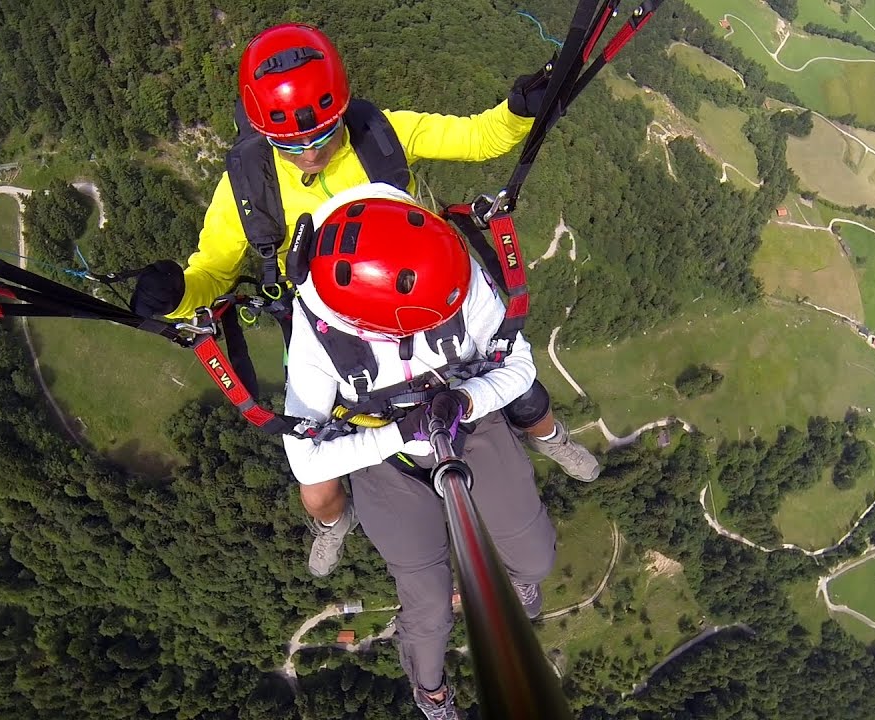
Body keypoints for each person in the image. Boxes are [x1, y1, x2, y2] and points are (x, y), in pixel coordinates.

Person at [131, 23, 597, 579]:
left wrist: (519, 111)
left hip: (417, 295)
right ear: (262, 132)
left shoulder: (381, 135)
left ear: (341, 112)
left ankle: (551, 438)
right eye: (290, 145)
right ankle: (332, 522)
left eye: (322, 135)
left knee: (520, 388)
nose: (310, 154)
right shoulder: (247, 190)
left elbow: (478, 138)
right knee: (314, 477)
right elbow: (213, 273)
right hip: (330, 328)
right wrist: (178, 297)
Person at [283, 183, 556, 719]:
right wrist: (396, 435)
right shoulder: (317, 324)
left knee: (536, 557)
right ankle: (430, 692)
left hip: (466, 422)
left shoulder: (447, 265)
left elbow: (518, 364)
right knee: (429, 608)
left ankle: (521, 581)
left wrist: (467, 399)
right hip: (386, 459)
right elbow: (306, 459)